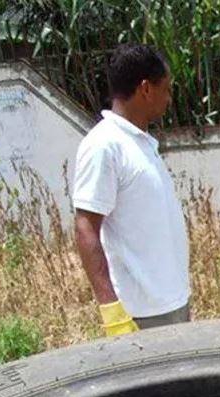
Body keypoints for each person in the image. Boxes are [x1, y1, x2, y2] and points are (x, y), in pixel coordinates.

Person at [72, 43, 190, 337]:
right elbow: (86, 227)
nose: (170, 98)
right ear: (146, 89)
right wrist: (111, 310)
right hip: (140, 314)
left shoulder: (141, 144)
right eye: (166, 88)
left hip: (170, 303)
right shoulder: (104, 146)